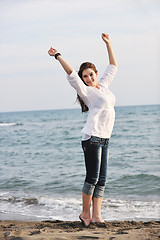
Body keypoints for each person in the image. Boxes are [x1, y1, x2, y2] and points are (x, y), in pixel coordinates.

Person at [48, 33, 118, 227]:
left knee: (102, 179)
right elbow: (71, 73)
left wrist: (108, 44)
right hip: (92, 138)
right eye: (85, 76)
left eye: (90, 75)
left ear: (95, 73)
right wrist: (58, 55)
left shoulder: (103, 86)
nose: (87, 78)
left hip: (105, 138)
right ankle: (85, 214)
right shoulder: (86, 91)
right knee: (92, 178)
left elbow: (113, 66)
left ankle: (97, 215)